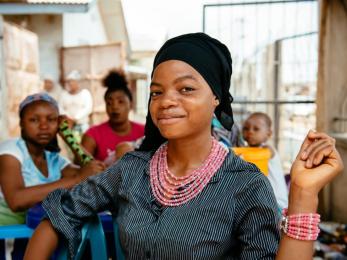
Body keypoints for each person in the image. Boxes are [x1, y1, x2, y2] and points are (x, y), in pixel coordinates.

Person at [25, 33, 343, 260]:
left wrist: (303, 194)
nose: (166, 102)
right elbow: (59, 213)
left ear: (216, 97)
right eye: (157, 92)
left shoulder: (244, 184)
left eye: (186, 88)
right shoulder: (132, 169)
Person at [0, 93, 105, 259]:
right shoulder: (10, 150)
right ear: (21, 123)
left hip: (40, 234)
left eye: (51, 120)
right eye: (34, 120)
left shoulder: (54, 159)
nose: (43, 126)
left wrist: (68, 137)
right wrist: (76, 179)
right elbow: (16, 200)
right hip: (9, 238)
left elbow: (95, 174)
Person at [81, 69, 144, 166]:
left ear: (131, 105)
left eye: (120, 102)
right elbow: (83, 169)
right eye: (109, 103)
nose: (114, 107)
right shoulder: (93, 135)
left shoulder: (145, 132)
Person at [242, 112, 289, 210]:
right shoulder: (244, 150)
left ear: (269, 134)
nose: (250, 132)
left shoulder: (269, 150)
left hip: (277, 203)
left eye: (256, 129)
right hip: (260, 202)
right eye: (246, 128)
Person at [59, 70, 93, 137]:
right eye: (69, 82)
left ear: (77, 82)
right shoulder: (63, 95)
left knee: (84, 144)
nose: (70, 84)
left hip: (82, 125)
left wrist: (76, 118)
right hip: (69, 125)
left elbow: (88, 108)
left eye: (73, 81)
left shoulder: (85, 93)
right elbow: (60, 108)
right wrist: (68, 117)